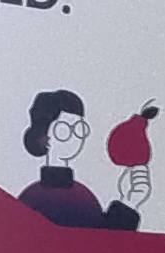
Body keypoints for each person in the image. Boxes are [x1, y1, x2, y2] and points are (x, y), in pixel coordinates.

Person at [15, 89, 148, 229]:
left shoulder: (84, 198)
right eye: (64, 130)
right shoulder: (33, 197)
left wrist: (130, 201)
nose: (74, 138)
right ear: (44, 138)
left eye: (79, 129)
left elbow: (105, 243)